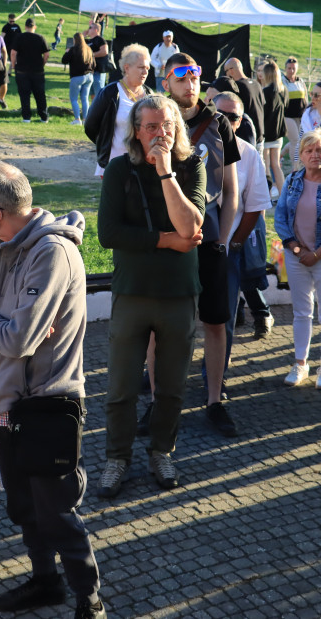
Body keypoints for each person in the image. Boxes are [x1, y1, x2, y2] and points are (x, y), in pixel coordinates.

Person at [0, 162, 106, 619]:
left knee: (58, 512)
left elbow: (19, 339)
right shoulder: (2, 245)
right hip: (5, 402)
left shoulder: (51, 254)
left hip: (45, 404)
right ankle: (46, 583)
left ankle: (90, 601)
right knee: (24, 507)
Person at [96, 94, 206, 497]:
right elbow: (109, 234)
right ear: (136, 132)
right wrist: (164, 240)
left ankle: (162, 451)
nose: (161, 134)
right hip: (133, 291)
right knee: (122, 385)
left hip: (178, 292)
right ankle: (116, 457)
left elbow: (192, 226)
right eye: (151, 127)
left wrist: (165, 173)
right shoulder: (119, 169)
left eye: (167, 126)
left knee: (173, 385)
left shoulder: (192, 165)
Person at [161, 53, 240, 436]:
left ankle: (213, 400)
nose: (189, 84)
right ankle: (160, 404)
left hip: (208, 239)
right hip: (167, 242)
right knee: (162, 326)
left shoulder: (219, 124)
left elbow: (231, 191)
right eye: (180, 78)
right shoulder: (154, 118)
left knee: (214, 322)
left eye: (194, 77)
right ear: (166, 83)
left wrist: (221, 241)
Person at [273, 130, 321, 389]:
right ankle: (300, 363)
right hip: (296, 258)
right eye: (309, 151)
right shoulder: (293, 180)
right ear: (302, 155)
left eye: (319, 150)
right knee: (301, 313)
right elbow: (281, 218)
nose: (315, 155)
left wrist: (317, 253)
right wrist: (296, 249)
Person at [214, 91, 274, 351]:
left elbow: (255, 208)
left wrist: (235, 245)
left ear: (240, 122)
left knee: (223, 320)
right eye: (221, 115)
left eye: (233, 117)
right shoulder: (191, 145)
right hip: (190, 247)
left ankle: (216, 380)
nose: (226, 121)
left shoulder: (249, 154)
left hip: (227, 251)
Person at [84, 43, 153, 177]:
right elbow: (90, 125)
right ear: (127, 68)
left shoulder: (149, 94)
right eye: (141, 67)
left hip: (143, 164)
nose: (145, 72)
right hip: (114, 163)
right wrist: (105, 143)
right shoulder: (110, 93)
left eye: (147, 68)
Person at [223, 57, 266, 158]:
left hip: (247, 137)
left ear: (232, 70)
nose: (226, 75)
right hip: (260, 134)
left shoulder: (237, 87)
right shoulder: (256, 84)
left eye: (226, 71)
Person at [12, 18, 51, 123]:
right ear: (35, 27)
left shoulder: (19, 37)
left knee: (24, 95)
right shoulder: (40, 38)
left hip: (22, 71)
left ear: (25, 26)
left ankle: (26, 118)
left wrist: (13, 65)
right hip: (37, 71)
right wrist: (42, 63)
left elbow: (13, 53)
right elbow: (46, 54)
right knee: (40, 95)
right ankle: (44, 117)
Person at [260, 58, 287, 200]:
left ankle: (266, 194)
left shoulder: (265, 92)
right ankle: (282, 195)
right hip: (279, 133)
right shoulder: (283, 91)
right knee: (276, 165)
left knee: (265, 165)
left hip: (266, 133)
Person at [63, 32, 95, 125]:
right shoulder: (89, 49)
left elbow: (64, 60)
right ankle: (85, 119)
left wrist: (67, 52)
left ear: (75, 40)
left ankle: (77, 119)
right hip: (89, 76)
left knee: (74, 99)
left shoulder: (73, 50)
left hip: (77, 77)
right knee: (85, 98)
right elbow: (94, 65)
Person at [281, 57, 307, 167]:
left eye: (293, 68)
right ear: (285, 68)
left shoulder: (300, 81)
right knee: (295, 140)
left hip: (300, 116)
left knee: (300, 140)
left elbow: (305, 98)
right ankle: (295, 167)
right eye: (289, 68)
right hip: (287, 115)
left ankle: (280, 155)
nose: (291, 71)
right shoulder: (282, 81)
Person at [85, 24, 110, 101]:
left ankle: (100, 111)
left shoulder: (100, 40)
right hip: (90, 71)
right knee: (92, 94)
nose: (88, 29)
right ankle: (93, 110)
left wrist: (91, 55)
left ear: (96, 30)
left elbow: (105, 51)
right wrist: (83, 35)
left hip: (98, 71)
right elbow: (77, 43)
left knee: (99, 93)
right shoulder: (88, 40)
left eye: (90, 27)